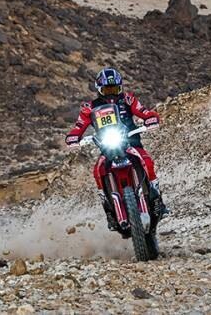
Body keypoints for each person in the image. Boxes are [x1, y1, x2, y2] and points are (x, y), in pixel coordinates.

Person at [65, 67, 169, 229]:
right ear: (100, 89)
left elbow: (144, 112)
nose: (111, 93)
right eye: (108, 90)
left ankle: (157, 202)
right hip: (107, 147)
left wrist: (151, 119)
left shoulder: (128, 99)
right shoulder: (89, 108)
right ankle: (109, 211)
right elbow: (79, 126)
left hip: (131, 142)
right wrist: (73, 137)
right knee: (97, 171)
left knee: (147, 162)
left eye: (114, 89)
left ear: (120, 87)